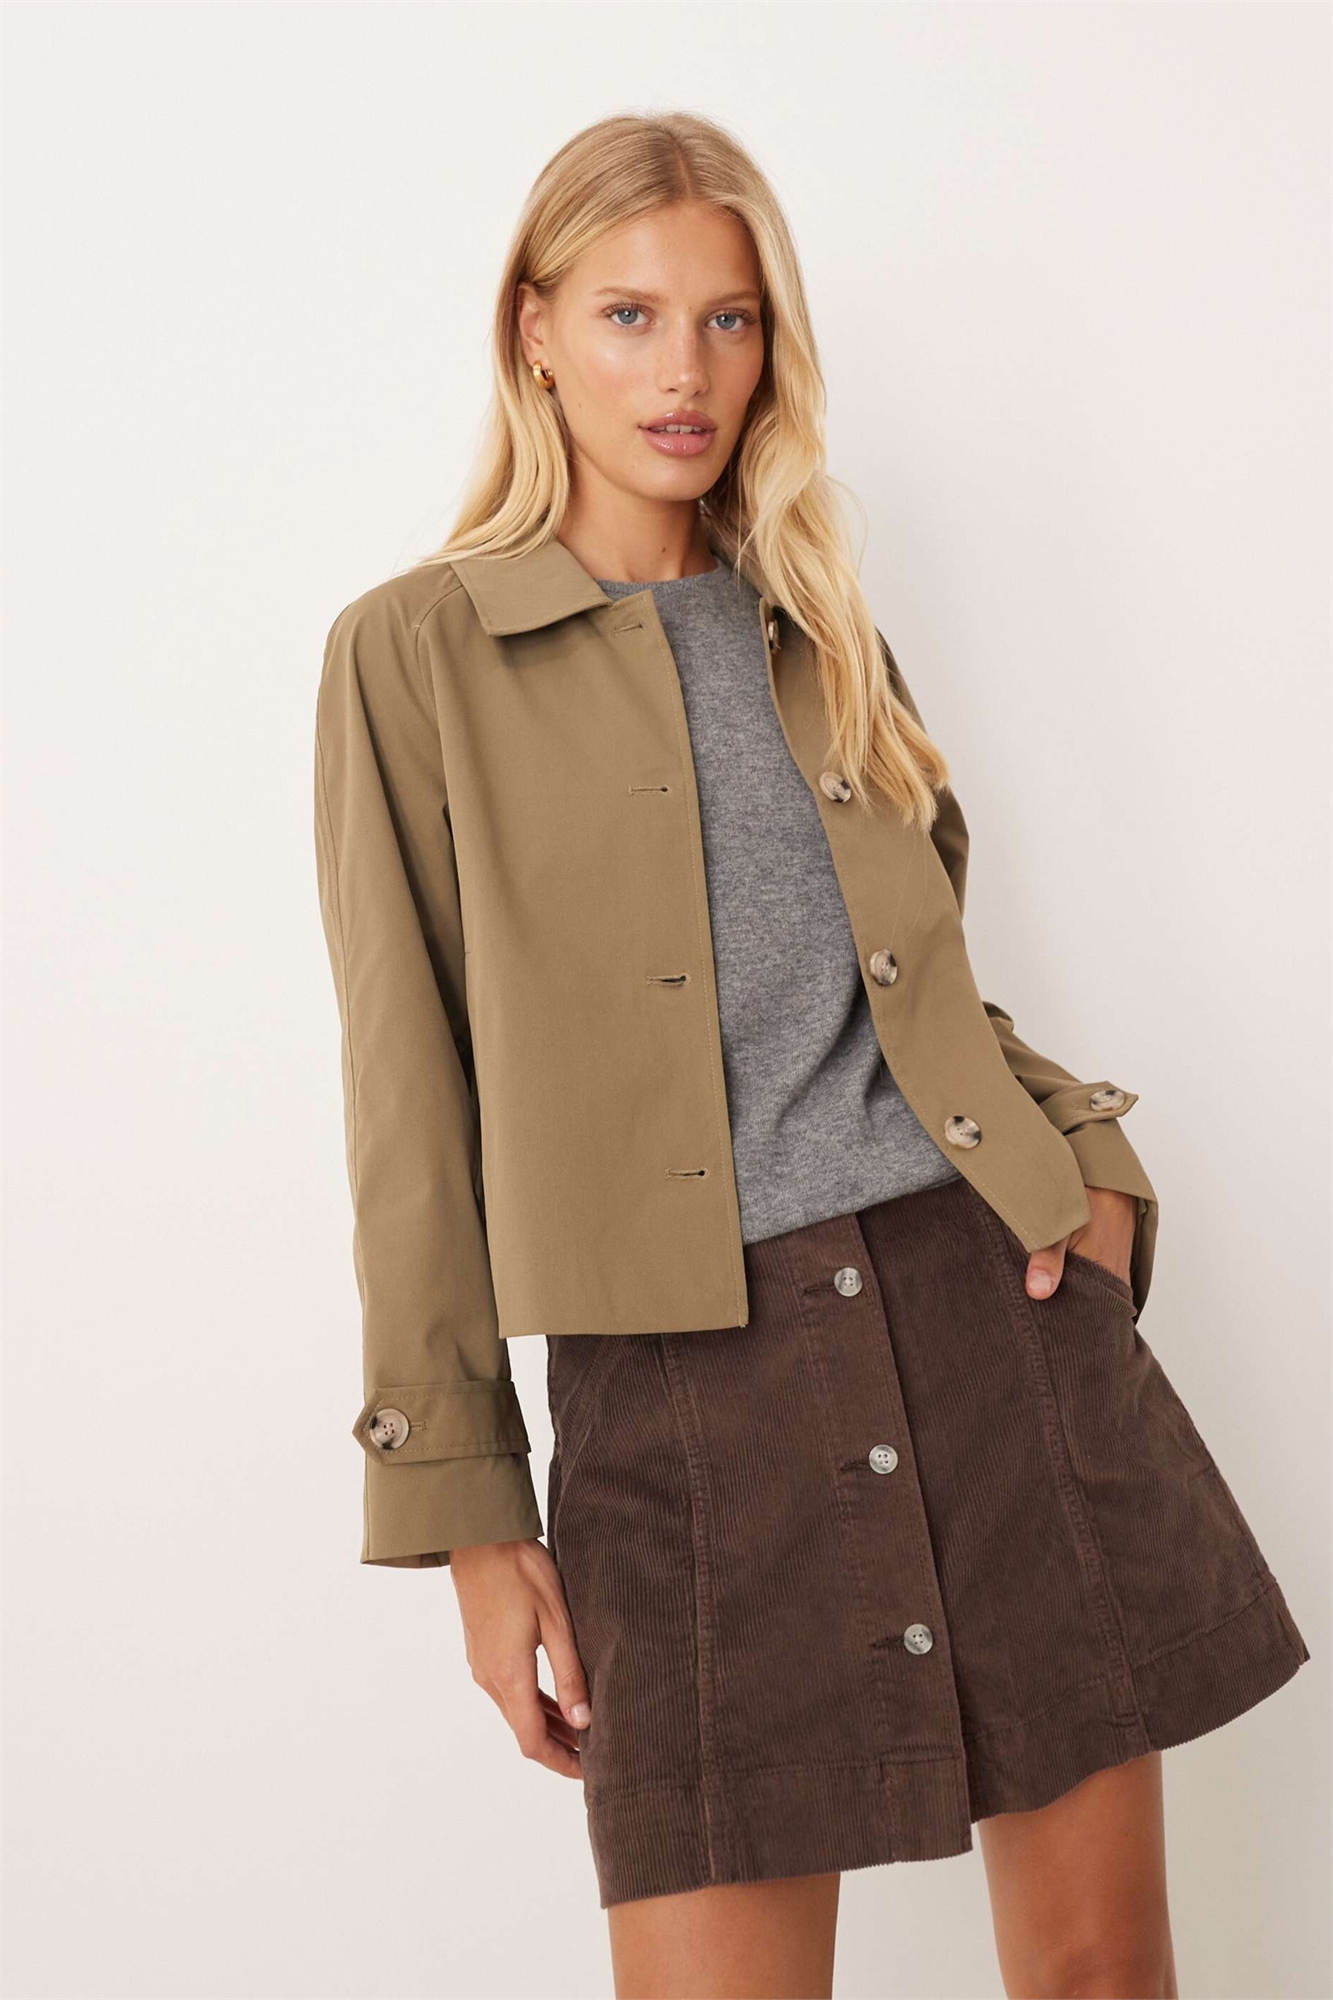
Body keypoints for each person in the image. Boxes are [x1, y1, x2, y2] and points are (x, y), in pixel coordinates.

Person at [312, 110, 1309, 2000]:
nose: (681, 372)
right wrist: (466, 1517)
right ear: (533, 330)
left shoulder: (815, 620)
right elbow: (407, 1108)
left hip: (989, 1329)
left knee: (1102, 1975)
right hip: (680, 1407)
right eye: (627, 314)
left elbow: (919, 989)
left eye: (729, 318)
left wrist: (1084, 1163)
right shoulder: (415, 654)